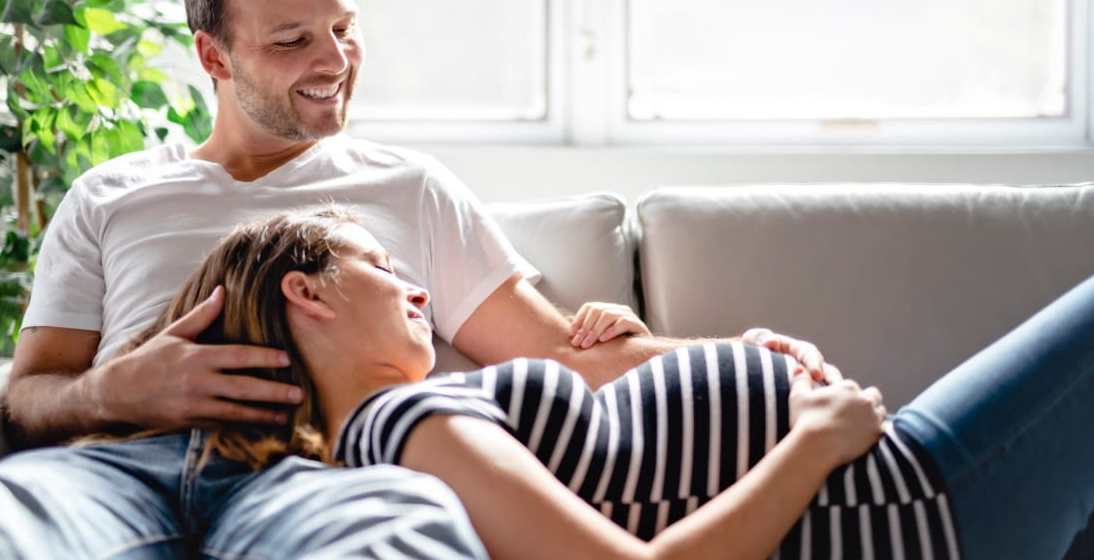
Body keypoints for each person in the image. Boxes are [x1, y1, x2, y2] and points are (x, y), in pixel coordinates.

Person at [0, 0, 830, 557]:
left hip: (322, 476)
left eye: (344, 29)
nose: (334, 63)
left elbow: (563, 353)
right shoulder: (112, 195)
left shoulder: (407, 187)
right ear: (212, 56)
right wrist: (110, 389)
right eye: (294, 39)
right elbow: (29, 398)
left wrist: (742, 352)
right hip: (118, 469)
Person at [114, 207, 1093, 560]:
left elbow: (634, 454)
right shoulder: (403, 419)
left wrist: (737, 360)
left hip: (902, 480)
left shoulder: (412, 416)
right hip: (914, 501)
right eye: (379, 265)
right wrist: (815, 439)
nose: (417, 287)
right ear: (305, 294)